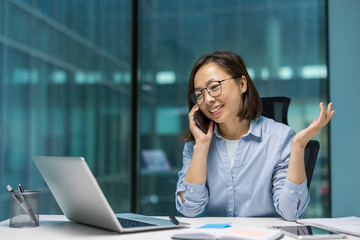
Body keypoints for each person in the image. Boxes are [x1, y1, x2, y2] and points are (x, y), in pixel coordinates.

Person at [175, 50, 335, 221]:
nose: (207, 100)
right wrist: (200, 148)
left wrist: (298, 146)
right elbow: (189, 209)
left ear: (242, 84)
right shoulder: (196, 143)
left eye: (214, 87)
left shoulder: (280, 138)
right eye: (199, 94)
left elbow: (291, 213)